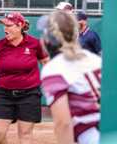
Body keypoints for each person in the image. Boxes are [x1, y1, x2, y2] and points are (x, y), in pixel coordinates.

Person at [0, 12, 49, 144]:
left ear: (20, 26)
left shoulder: (35, 44)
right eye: (4, 25)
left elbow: (47, 64)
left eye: (8, 25)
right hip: (4, 94)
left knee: (25, 135)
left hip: (29, 94)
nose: (5, 29)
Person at [40, 10, 101, 144]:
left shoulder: (53, 69)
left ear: (49, 38)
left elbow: (63, 124)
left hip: (91, 136)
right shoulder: (94, 59)